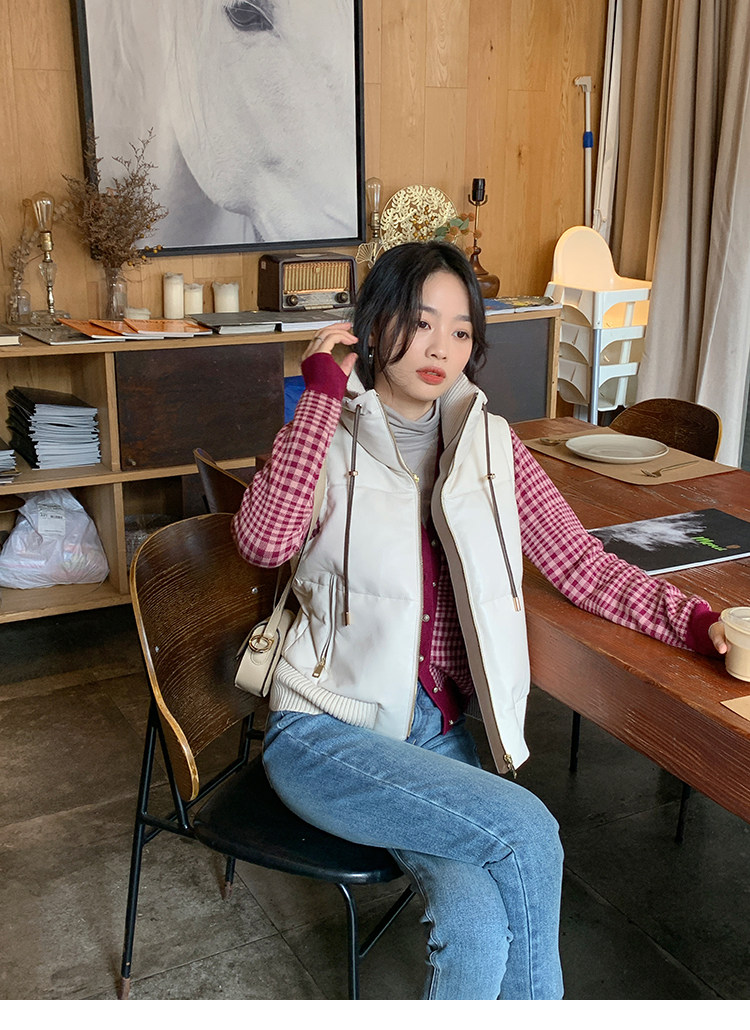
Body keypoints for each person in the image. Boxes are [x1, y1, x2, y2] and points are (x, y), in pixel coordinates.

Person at [232, 241, 727, 1000]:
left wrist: (694, 623)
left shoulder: (492, 446)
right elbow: (262, 541)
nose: (441, 348)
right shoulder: (324, 434)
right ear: (374, 324)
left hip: (437, 733)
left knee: (473, 921)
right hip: (327, 731)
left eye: (461, 330)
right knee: (528, 831)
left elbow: (582, 565)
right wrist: (322, 396)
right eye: (420, 322)